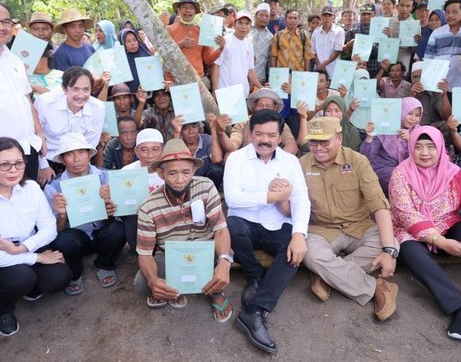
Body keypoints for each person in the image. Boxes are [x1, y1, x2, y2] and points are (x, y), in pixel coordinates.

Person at [224, 109, 310, 354]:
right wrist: (272, 196)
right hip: (245, 224)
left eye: (271, 135)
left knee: (295, 247)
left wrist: (298, 235)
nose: (265, 140)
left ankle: (254, 311)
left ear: (280, 136)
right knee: (232, 227)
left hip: (276, 224)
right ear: (250, 134)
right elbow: (233, 199)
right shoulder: (236, 159)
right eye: (259, 133)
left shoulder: (290, 161)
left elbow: (301, 200)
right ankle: (254, 276)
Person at [300, 117, 398, 322]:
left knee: (391, 243)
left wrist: (389, 251)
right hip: (321, 229)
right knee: (310, 255)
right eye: (313, 142)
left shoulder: (357, 161)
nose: (318, 148)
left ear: (339, 138)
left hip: (359, 226)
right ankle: (378, 287)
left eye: (324, 142)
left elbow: (379, 206)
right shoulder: (301, 165)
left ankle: (327, 275)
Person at [389, 126, 461, 339]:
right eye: (418, 146)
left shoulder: (454, 173)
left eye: (430, 146)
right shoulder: (401, 174)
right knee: (408, 249)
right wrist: (440, 242)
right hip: (412, 232)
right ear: (411, 148)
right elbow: (406, 215)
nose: (424, 153)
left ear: (440, 147)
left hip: (446, 224)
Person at [133, 139, 233, 322]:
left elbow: (220, 230)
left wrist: (225, 261)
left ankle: (214, 290)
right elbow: (145, 254)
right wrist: (152, 280)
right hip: (170, 255)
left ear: (194, 171)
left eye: (186, 172)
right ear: (161, 173)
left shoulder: (206, 186)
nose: (180, 180)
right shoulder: (148, 207)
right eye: (172, 173)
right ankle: (172, 286)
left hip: (206, 248)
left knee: (223, 259)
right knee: (142, 283)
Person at [0, 137, 71, 337]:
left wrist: (22, 249)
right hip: (4, 262)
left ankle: (27, 288)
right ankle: (3, 309)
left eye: (18, 163)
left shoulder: (30, 188)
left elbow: (49, 229)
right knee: (22, 276)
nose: (13, 170)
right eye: (4, 164)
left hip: (26, 247)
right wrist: (37, 257)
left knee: (60, 276)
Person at [45, 133, 124, 295]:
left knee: (118, 230)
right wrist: (61, 215)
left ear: (89, 155)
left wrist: (110, 206)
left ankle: (104, 263)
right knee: (63, 240)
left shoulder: (106, 176)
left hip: (102, 232)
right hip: (77, 239)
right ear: (62, 159)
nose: (76, 159)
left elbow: (116, 217)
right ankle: (75, 272)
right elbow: (54, 232)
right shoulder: (54, 187)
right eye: (69, 154)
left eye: (81, 152)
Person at [34, 66, 105, 185]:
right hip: (48, 160)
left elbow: (92, 141)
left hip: (79, 162)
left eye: (86, 89)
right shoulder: (45, 103)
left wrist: (81, 168)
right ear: (64, 89)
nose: (81, 95)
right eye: (75, 89)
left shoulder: (98, 107)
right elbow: (35, 135)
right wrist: (42, 165)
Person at [0, 2, 46, 183]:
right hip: (3, 155)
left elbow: (26, 99)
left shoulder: (15, 61)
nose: (2, 27)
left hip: (28, 147)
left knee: (27, 202)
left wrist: (40, 134)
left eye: (5, 22)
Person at [360, 97, 423, 195]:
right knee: (400, 177)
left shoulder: (419, 131)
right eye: (409, 113)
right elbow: (366, 158)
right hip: (383, 170)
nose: (413, 118)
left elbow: (422, 158)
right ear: (400, 111)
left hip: (409, 170)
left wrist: (411, 141)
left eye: (417, 115)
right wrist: (369, 137)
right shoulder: (384, 128)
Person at [216, 88, 298, 157]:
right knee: (228, 155)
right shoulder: (243, 123)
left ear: (274, 108)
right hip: (246, 163)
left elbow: (292, 146)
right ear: (254, 107)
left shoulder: (279, 123)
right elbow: (233, 145)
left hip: (272, 163)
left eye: (268, 106)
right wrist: (221, 132)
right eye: (260, 105)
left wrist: (273, 160)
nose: (264, 108)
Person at [166, 0, 225, 88]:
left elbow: (208, 60)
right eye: (184, 7)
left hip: (199, 80)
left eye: (191, 7)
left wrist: (220, 49)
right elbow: (164, 55)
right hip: (177, 81)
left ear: (195, 11)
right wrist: (181, 44)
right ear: (178, 10)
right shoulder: (168, 30)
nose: (188, 10)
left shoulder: (201, 31)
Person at [122, 128, 165, 252]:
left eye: (155, 149)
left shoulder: (170, 170)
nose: (150, 155)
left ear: (163, 150)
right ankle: (141, 253)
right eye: (144, 150)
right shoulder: (127, 172)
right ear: (136, 151)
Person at [425, 0, 461, 93]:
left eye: (454, 12)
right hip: (440, 84)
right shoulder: (437, 33)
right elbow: (428, 58)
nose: (450, 15)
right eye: (447, 12)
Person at [211, 10, 263, 97]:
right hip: (225, 92)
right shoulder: (225, 41)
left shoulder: (248, 44)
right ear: (234, 24)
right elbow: (216, 65)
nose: (244, 27)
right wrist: (215, 89)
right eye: (240, 23)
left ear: (250, 27)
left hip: (242, 93)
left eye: (247, 24)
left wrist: (261, 87)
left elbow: (250, 70)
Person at [172, 116, 224, 190]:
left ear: (199, 128)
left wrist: (213, 128)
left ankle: (210, 195)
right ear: (181, 131)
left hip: (205, 181)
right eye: (185, 128)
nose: (191, 132)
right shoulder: (177, 142)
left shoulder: (206, 140)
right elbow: (172, 163)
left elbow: (217, 159)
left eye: (194, 127)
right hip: (184, 182)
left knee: (217, 169)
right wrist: (176, 133)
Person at [410, 61, 451, 138]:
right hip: (411, 127)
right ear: (411, 78)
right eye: (415, 77)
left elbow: (447, 117)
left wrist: (444, 95)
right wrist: (412, 96)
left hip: (432, 129)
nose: (418, 80)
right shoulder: (407, 90)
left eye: (421, 76)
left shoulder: (435, 92)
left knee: (445, 125)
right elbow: (401, 117)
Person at [271, 8, 313, 72]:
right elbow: (274, 56)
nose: (292, 20)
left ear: (298, 20)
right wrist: (273, 73)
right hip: (281, 74)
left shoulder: (304, 36)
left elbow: (307, 58)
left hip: (298, 75)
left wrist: (306, 74)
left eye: (295, 18)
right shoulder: (278, 36)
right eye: (290, 18)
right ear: (285, 20)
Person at [311, 6, 345, 77]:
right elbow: (313, 51)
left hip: (333, 71)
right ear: (321, 17)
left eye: (329, 15)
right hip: (318, 71)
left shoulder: (339, 31)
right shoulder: (316, 32)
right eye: (325, 15)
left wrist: (323, 65)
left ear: (334, 17)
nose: (327, 18)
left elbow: (337, 51)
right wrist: (319, 65)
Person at [118, 28, 152, 94]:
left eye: (134, 40)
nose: (133, 43)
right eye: (128, 41)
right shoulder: (120, 61)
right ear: (122, 44)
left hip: (149, 94)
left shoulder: (145, 54)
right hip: (128, 97)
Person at [248, 3, 273, 84]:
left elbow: (270, 61)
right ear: (256, 16)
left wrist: (269, 79)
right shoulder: (246, 30)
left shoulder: (271, 37)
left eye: (267, 16)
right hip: (242, 75)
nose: (264, 18)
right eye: (261, 15)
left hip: (259, 78)